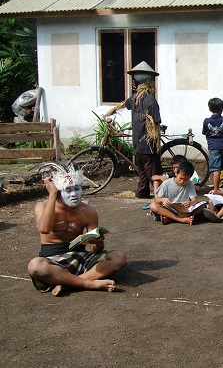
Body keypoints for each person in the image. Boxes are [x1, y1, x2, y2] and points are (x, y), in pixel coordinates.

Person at [28, 166, 126, 296]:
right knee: (35, 266)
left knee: (119, 258)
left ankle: (67, 284)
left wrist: (99, 241)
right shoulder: (42, 206)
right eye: (68, 190)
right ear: (58, 191)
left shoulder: (88, 211)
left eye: (77, 189)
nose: (74, 194)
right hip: (54, 261)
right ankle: (88, 283)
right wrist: (52, 195)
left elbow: (95, 250)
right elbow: (44, 229)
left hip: (81, 258)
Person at [106, 61, 162, 199]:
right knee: (152, 171)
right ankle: (160, 194)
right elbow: (157, 121)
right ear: (150, 82)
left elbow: (121, 105)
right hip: (148, 142)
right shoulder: (151, 100)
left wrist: (109, 114)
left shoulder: (134, 99)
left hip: (137, 141)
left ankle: (142, 192)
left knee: (142, 169)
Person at [150, 160, 205, 225]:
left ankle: (171, 218)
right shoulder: (166, 183)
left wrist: (190, 203)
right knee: (153, 206)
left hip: (183, 211)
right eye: (180, 178)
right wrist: (162, 199)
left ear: (190, 177)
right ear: (176, 173)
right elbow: (156, 200)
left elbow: (194, 200)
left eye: (186, 179)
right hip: (169, 209)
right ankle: (179, 219)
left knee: (201, 206)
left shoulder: (189, 184)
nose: (182, 181)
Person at [202, 97, 223, 192]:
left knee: (216, 170)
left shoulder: (206, 121)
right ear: (222, 109)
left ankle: (216, 189)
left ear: (209, 109)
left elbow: (204, 132)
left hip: (213, 147)